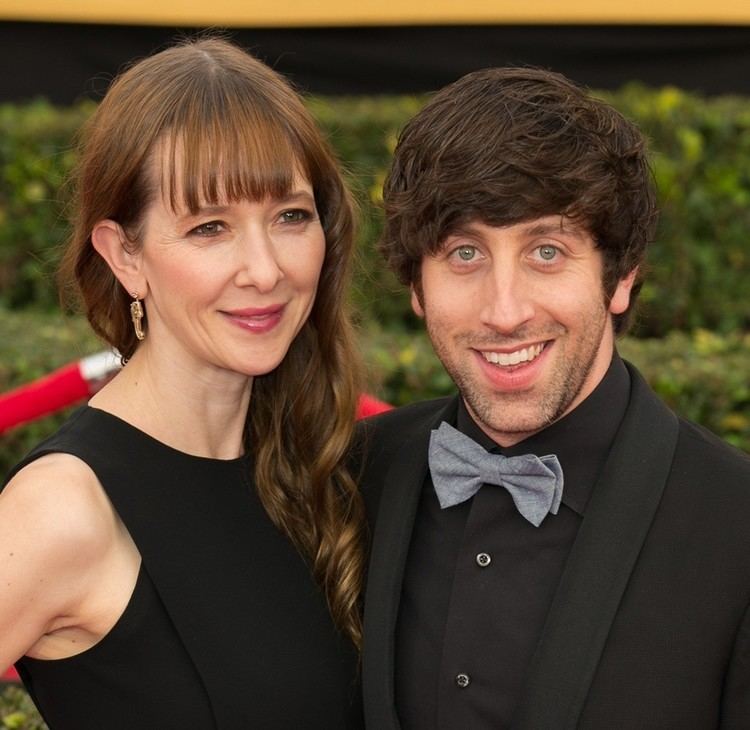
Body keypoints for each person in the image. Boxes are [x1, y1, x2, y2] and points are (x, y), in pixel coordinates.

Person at [359, 67, 750, 729]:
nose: (504, 311)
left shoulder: (737, 528)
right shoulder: (355, 477)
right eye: (463, 254)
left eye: (546, 250)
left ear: (620, 276)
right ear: (416, 287)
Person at [0, 38, 365, 729]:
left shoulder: (321, 461)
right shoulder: (64, 510)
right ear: (125, 255)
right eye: (209, 228)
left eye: (290, 216)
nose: (264, 269)